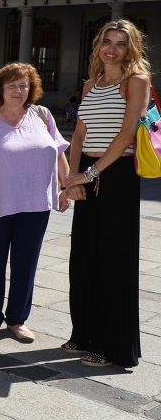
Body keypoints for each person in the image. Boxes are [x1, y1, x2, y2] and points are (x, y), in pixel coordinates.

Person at [61, 20, 150, 368]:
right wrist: (73, 176)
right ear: (98, 46)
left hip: (118, 178)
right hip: (87, 172)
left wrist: (90, 174)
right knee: (84, 256)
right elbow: (79, 134)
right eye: (107, 42)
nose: (112, 48)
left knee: (113, 262)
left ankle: (112, 345)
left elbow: (127, 135)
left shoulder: (137, 82)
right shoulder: (91, 85)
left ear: (132, 49)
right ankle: (83, 333)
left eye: (121, 43)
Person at [0, 63, 69, 342]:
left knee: (26, 264)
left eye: (23, 85)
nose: (18, 91)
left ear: (31, 89)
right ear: (0, 89)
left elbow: (59, 153)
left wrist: (66, 187)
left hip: (35, 205)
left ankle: (17, 320)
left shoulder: (43, 116)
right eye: (11, 85)